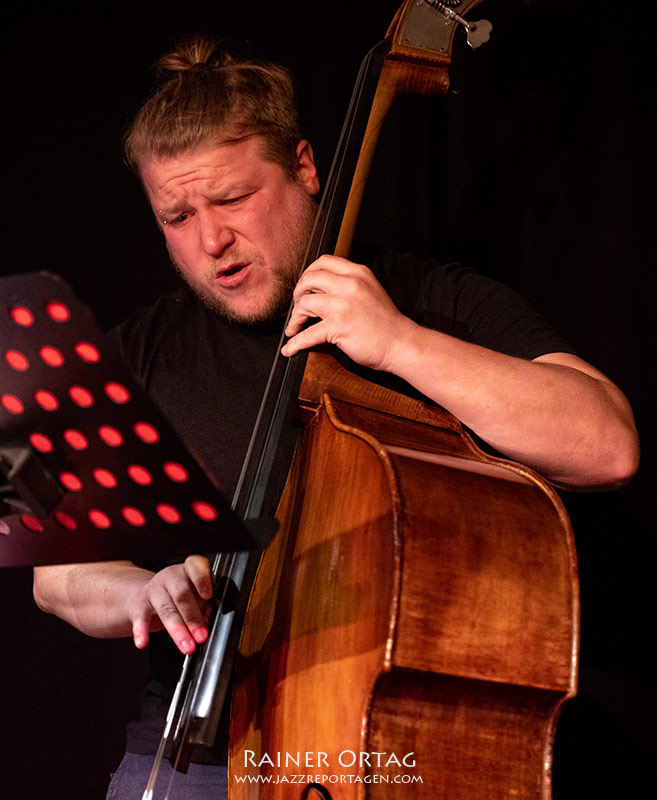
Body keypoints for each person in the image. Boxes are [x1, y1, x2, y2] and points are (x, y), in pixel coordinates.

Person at [32, 36, 639, 799]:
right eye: (176, 214)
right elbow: (56, 575)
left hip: (373, 750)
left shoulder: (429, 301)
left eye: (230, 198)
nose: (209, 239)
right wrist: (137, 594)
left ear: (306, 167)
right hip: (189, 755)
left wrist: (401, 345)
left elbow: (605, 444)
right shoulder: (140, 353)